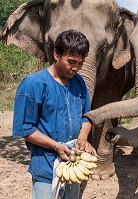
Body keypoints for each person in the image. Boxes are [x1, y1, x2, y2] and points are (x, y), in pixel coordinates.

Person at [12, 29, 96, 199]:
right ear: (56, 54)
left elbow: (87, 115)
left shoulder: (78, 82)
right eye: (71, 62)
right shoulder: (33, 84)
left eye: (81, 63)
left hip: (74, 161)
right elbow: (25, 128)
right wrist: (57, 146)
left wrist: (83, 136)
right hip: (45, 164)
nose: (76, 68)